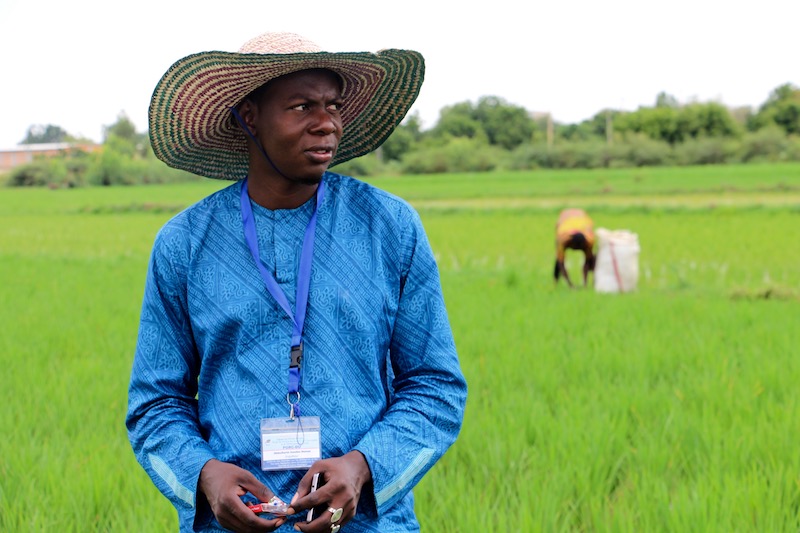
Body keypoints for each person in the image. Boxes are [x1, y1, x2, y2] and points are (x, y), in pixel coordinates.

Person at [125, 32, 467, 533]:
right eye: (302, 105)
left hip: (370, 522)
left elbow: (436, 386)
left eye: (333, 105)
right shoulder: (185, 243)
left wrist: (362, 466)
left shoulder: (388, 227)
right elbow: (155, 402)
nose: (326, 124)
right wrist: (204, 476)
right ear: (249, 116)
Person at [553, 208, 596, 287]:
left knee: (592, 259)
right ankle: (555, 282)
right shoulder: (562, 239)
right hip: (566, 218)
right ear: (570, 244)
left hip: (581, 217)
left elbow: (588, 260)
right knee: (558, 259)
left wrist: (585, 284)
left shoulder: (589, 240)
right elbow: (561, 263)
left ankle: (593, 282)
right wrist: (570, 285)